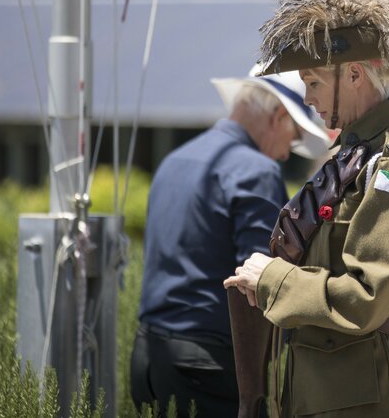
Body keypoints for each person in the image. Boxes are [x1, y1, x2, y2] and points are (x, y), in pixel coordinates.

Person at [223, 0, 389, 418]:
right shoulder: (359, 155)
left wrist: (272, 281)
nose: (308, 100)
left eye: (314, 82)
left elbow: (368, 297)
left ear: (356, 75)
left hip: (357, 398)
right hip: (335, 392)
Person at [130, 68, 329, 417]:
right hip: (206, 367)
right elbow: (259, 286)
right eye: (294, 136)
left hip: (148, 357)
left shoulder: (176, 160)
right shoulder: (255, 171)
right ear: (278, 115)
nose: (286, 154)